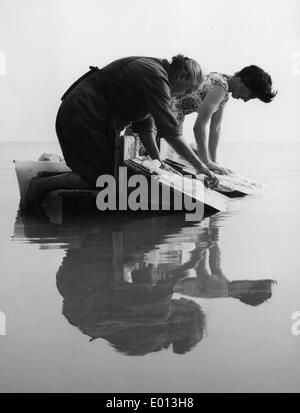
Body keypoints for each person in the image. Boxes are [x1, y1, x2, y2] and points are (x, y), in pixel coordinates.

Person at [24, 55, 218, 209]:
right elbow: (171, 132)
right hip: (82, 112)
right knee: (104, 177)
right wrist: (200, 166)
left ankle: (43, 185)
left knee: (108, 173)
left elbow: (145, 125)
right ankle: (40, 186)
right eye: (188, 90)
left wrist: (158, 161)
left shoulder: (158, 78)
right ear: (182, 76)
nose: (185, 95)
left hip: (94, 118)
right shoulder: (156, 76)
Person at [169, 65, 277, 175]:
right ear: (244, 81)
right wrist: (206, 161)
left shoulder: (222, 82)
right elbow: (199, 127)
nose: (246, 100)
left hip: (171, 117)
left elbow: (216, 128)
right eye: (251, 95)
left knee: (182, 156)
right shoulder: (220, 88)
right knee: (165, 162)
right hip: (167, 114)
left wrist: (213, 162)